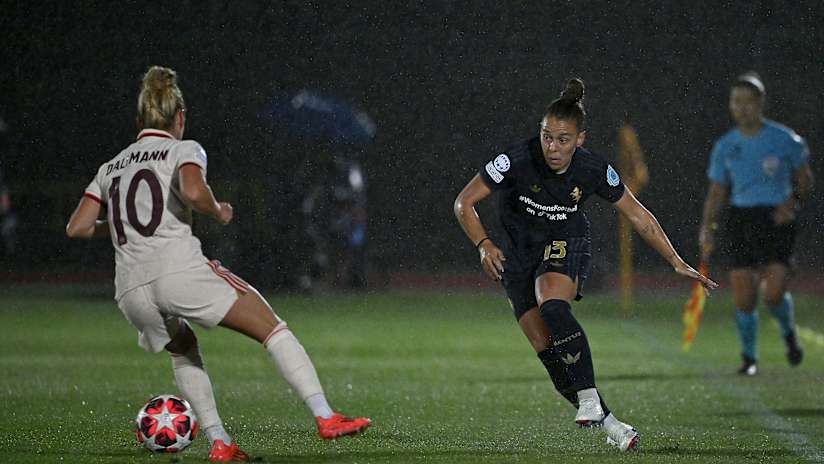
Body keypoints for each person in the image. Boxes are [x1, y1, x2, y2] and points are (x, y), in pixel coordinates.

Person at [66, 66, 371, 462]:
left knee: (183, 351)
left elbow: (77, 227)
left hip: (130, 290)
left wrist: (126, 225)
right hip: (179, 270)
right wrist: (217, 210)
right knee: (272, 328)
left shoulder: (110, 167)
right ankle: (326, 417)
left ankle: (220, 443)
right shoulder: (183, 148)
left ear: (139, 121)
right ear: (180, 117)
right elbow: (193, 190)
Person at [454, 78, 717, 452]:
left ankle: (591, 399)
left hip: (566, 241)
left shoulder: (593, 169)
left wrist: (676, 261)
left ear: (581, 140)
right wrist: (483, 245)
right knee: (552, 358)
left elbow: (638, 216)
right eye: (547, 137)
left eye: (563, 140)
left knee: (553, 303)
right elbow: (463, 203)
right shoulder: (516, 159)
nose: (553, 147)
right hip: (517, 255)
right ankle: (612, 424)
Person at [699, 72, 814, 376]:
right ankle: (749, 359)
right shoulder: (726, 146)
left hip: (776, 219)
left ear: (760, 103)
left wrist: (792, 204)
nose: (742, 108)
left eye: (748, 102)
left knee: (773, 293)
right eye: (736, 102)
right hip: (740, 218)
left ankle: (788, 333)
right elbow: (717, 191)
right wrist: (707, 227)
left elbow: (805, 180)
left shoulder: (785, 140)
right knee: (745, 296)